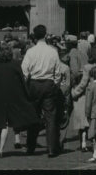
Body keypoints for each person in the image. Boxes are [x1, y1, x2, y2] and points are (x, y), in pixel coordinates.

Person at [0, 43, 39, 158]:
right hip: (13, 96)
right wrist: (26, 94)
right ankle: (0, 148)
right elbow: (22, 81)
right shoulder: (15, 64)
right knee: (6, 123)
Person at [21, 23, 61, 157]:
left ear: (34, 36)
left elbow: (24, 71)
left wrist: (26, 85)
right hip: (49, 83)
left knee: (33, 116)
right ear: (45, 34)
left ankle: (30, 146)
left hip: (34, 84)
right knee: (51, 117)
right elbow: (58, 71)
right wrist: (55, 83)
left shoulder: (31, 51)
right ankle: (51, 148)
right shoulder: (53, 51)